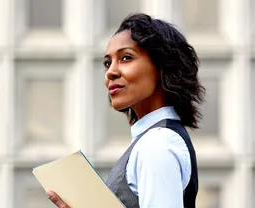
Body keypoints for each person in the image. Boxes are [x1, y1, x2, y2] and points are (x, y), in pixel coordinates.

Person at [47, 13, 205, 208]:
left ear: (163, 66)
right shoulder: (154, 139)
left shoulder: (157, 143)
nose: (110, 72)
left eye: (126, 57)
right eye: (107, 63)